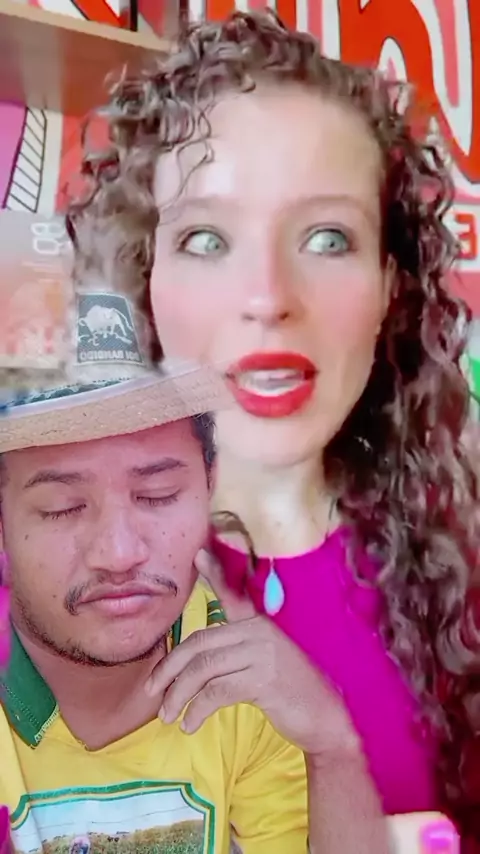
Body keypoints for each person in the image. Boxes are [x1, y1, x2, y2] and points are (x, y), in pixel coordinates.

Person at [67, 9, 480, 847]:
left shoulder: (457, 580)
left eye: (326, 237)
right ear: (147, 279)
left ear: (389, 285)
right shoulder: (46, 576)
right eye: (206, 238)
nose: (266, 296)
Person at [0, 291, 404, 854]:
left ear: (209, 487)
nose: (119, 553)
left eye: (158, 495)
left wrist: (333, 748)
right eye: (63, 508)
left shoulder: (249, 673)